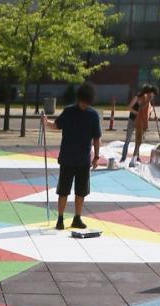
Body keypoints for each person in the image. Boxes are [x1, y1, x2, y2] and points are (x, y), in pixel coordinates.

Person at [52, 82, 101, 233]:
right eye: (83, 101)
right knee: (63, 190)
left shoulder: (93, 115)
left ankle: (77, 218)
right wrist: (46, 122)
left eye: (87, 102)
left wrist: (96, 156)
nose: (84, 104)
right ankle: (60, 218)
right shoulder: (68, 112)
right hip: (67, 158)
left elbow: (97, 138)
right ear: (79, 98)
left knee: (81, 191)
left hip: (83, 160)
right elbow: (56, 125)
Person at [130, 84, 156, 164]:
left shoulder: (148, 99)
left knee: (139, 141)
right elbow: (141, 107)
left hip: (143, 122)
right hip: (140, 122)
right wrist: (148, 101)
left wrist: (152, 116)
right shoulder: (144, 97)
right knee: (139, 141)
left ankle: (136, 157)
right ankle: (133, 159)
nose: (152, 95)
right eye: (151, 93)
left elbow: (147, 112)